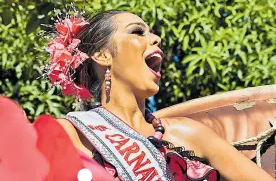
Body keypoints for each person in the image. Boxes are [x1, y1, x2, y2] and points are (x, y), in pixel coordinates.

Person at [45, 9, 273, 180]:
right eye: (137, 32)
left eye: (151, 32)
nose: (156, 38)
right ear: (102, 56)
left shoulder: (189, 132)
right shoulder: (69, 132)